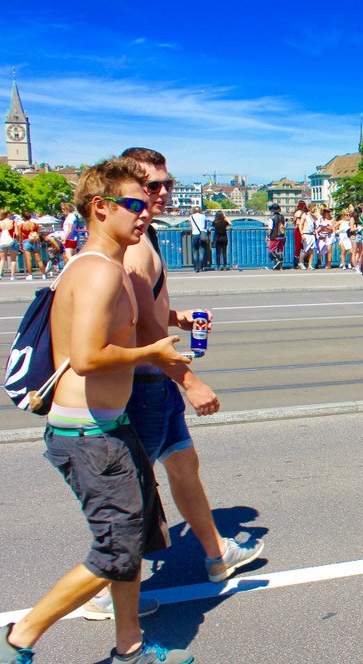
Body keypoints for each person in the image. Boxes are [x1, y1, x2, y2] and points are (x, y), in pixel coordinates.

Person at [0, 158, 194, 664]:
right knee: (116, 547)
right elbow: (88, 355)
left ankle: (129, 649)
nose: (147, 213)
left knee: (136, 538)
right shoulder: (98, 269)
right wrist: (155, 352)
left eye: (148, 203)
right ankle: (14, 640)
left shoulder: (112, 266)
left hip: (109, 426)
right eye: (135, 204)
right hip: (88, 434)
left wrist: (171, 330)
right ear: (101, 207)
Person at [112, 146, 263, 605]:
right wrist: (190, 383)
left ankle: (218, 553)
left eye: (166, 183)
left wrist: (178, 316)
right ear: (127, 189)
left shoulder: (147, 237)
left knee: (183, 466)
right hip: (143, 385)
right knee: (130, 496)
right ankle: (107, 586)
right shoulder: (136, 245)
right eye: (150, 185)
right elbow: (141, 328)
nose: (162, 192)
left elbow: (145, 312)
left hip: (154, 383)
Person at [19, 211, 46, 280]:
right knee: (39, 260)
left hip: (26, 241)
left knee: (29, 260)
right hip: (35, 241)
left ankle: (30, 275)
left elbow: (19, 236)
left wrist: (20, 244)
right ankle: (43, 274)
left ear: (23, 217)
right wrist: (39, 242)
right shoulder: (35, 225)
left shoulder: (21, 226)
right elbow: (38, 234)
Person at [0, 209, 19, 280]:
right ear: (8, 214)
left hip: (3, 241)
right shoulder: (13, 222)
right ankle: (12, 275)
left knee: (2, 259)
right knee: (13, 260)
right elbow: (17, 233)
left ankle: (0, 274)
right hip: (12, 241)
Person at [188, 206, 210, 273]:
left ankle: (196, 267)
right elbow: (206, 226)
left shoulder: (191, 217)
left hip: (195, 234)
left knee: (195, 251)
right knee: (202, 250)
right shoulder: (203, 216)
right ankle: (201, 267)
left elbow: (191, 226)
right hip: (202, 234)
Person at [297, 203, 318, 271]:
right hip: (306, 233)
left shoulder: (313, 216)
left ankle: (310, 264)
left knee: (312, 250)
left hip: (312, 234)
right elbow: (300, 224)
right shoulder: (305, 215)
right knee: (305, 250)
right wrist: (302, 234)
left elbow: (316, 224)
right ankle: (300, 262)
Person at [267, 204, 286, 270]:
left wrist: (268, 236)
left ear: (272, 210)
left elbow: (270, 228)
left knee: (271, 250)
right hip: (282, 236)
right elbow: (284, 227)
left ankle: (277, 260)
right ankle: (280, 265)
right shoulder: (283, 217)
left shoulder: (272, 218)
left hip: (274, 236)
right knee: (280, 250)